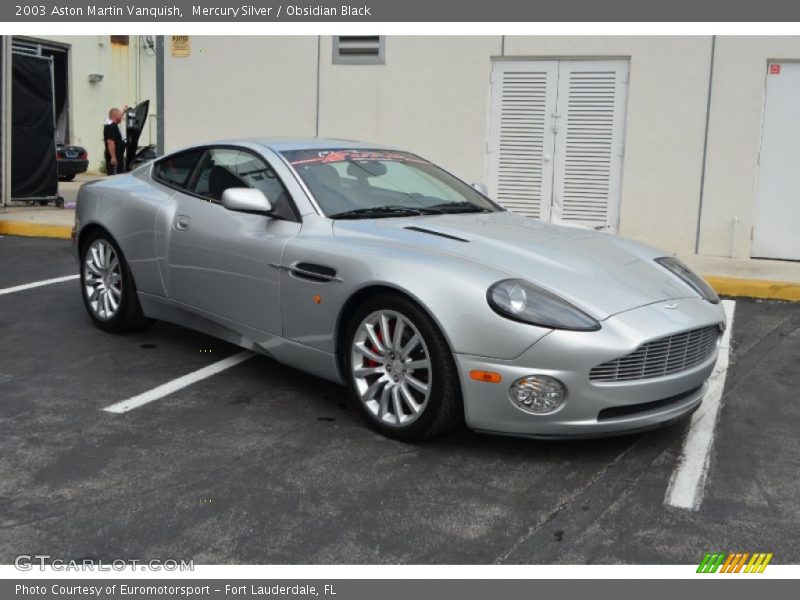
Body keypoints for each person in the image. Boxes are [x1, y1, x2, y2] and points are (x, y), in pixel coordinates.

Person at [103, 106, 127, 175]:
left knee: (119, 175)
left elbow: (119, 117)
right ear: (115, 116)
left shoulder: (113, 124)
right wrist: (113, 157)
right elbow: (110, 142)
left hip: (118, 156)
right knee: (115, 177)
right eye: (120, 115)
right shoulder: (111, 127)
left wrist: (124, 111)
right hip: (114, 157)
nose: (121, 117)